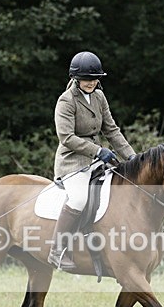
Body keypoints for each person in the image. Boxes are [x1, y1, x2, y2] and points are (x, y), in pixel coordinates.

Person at [48, 51, 136, 270]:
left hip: (97, 159)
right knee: (78, 199)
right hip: (73, 161)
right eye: (87, 79)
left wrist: (133, 158)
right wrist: (97, 151)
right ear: (76, 79)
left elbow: (112, 130)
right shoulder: (66, 101)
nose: (92, 82)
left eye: (95, 78)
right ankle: (57, 250)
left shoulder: (99, 97)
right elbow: (66, 138)